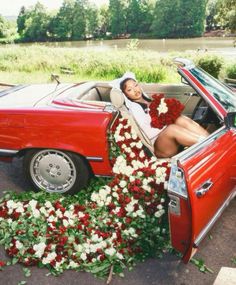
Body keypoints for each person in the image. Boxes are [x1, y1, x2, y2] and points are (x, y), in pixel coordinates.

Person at [115, 73, 209, 158]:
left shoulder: (147, 99)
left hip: (166, 139)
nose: (135, 90)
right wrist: (166, 121)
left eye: (135, 85)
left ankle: (209, 139)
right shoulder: (135, 109)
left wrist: (169, 114)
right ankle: (209, 145)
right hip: (158, 146)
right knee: (172, 128)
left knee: (180, 118)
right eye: (130, 90)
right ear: (126, 95)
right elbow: (148, 133)